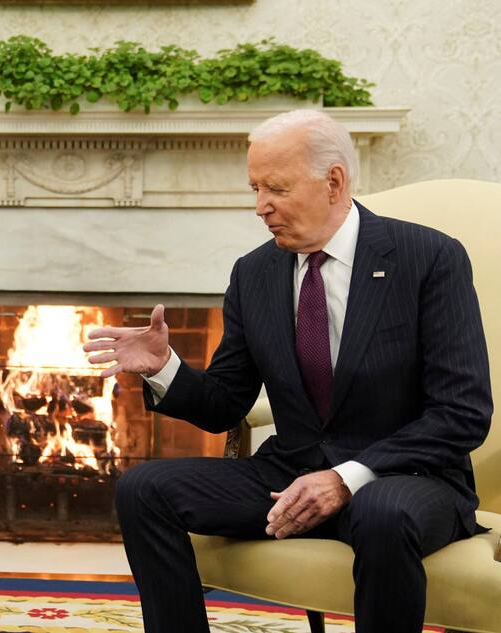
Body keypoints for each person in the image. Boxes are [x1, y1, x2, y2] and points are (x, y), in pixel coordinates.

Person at [84, 109, 492, 633]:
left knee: (382, 512)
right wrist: (165, 368)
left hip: (407, 478)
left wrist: (346, 479)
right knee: (144, 489)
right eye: (254, 188)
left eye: (275, 188)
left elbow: (462, 413)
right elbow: (226, 402)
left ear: (334, 182)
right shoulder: (254, 272)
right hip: (291, 473)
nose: (260, 207)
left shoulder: (429, 257)